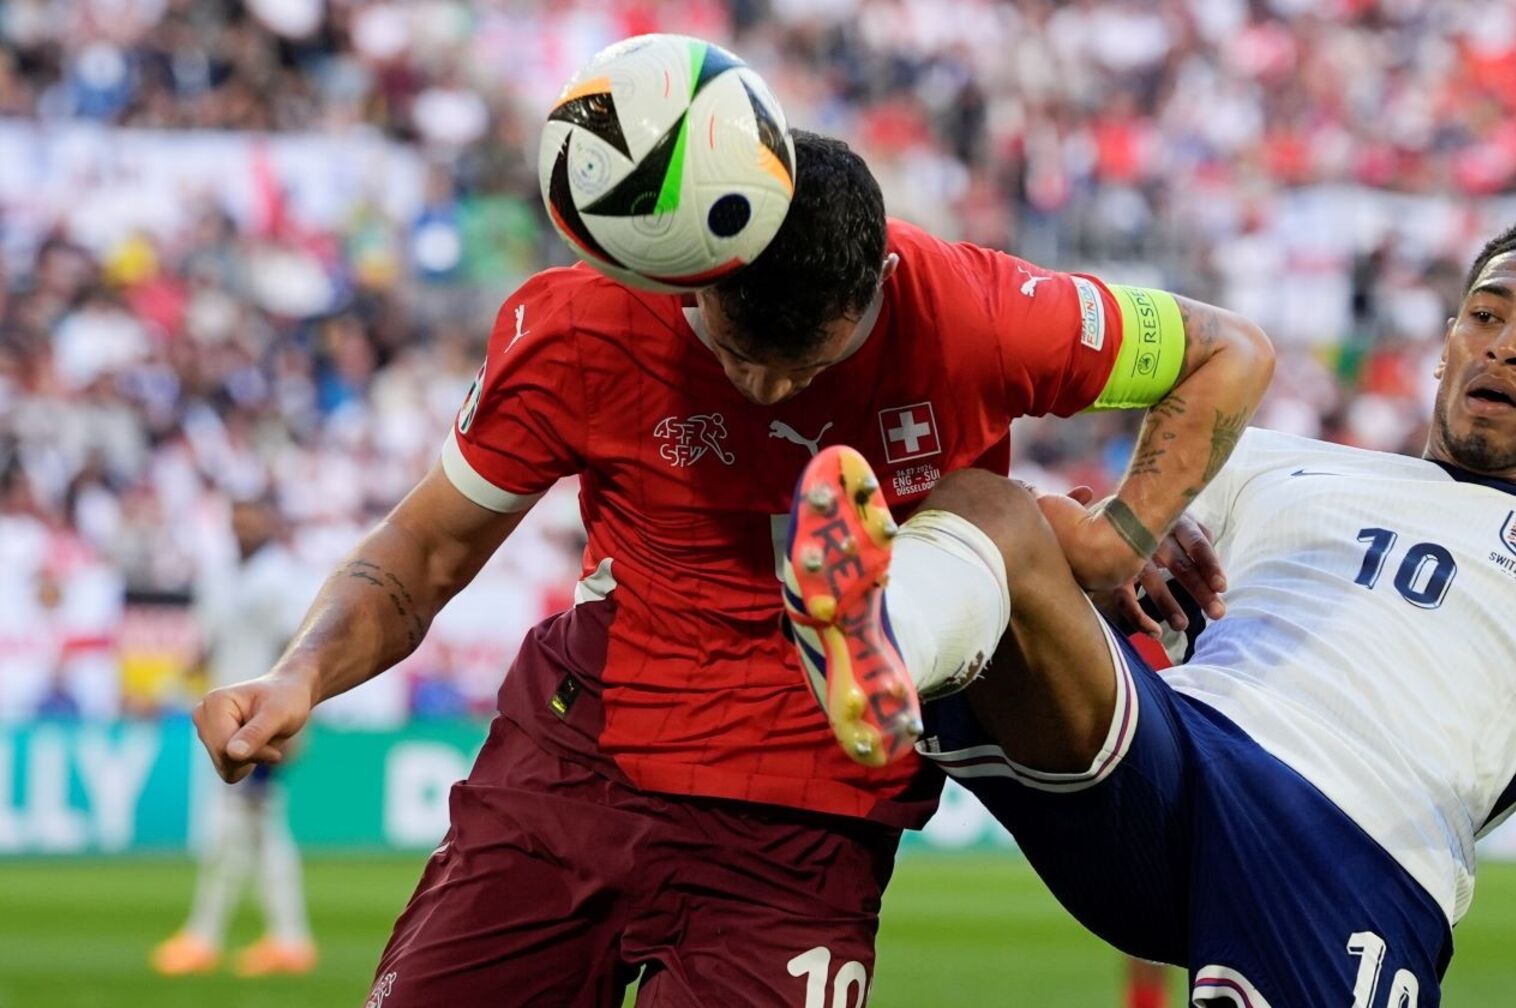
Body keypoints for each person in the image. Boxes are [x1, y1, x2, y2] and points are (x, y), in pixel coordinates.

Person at [190, 129, 1273, 1005]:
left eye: (796, 366)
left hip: (811, 820)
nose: (760, 391)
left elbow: (1231, 349)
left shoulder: (977, 311)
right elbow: (417, 554)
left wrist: (1118, 535)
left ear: (875, 294)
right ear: (698, 280)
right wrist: (301, 674)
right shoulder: (582, 322)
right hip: (575, 768)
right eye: (734, 350)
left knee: (994, 525)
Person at [780, 221, 1516, 1006]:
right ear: (1445, 342)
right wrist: (1125, 538)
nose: (1502, 346)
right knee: (994, 509)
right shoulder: (1273, 464)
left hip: (1352, 849)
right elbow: (1090, 550)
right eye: (1484, 317)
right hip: (1172, 757)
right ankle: (877, 643)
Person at [151, 496, 318, 977]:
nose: (242, 528)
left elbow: (300, 650)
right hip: (226, 715)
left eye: (250, 520)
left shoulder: (281, 578)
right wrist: (164, 688)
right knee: (260, 830)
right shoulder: (220, 576)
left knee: (237, 828)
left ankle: (205, 936)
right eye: (236, 520)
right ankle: (288, 940)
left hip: (263, 716)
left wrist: (299, 721)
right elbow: (209, 644)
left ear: (267, 523)